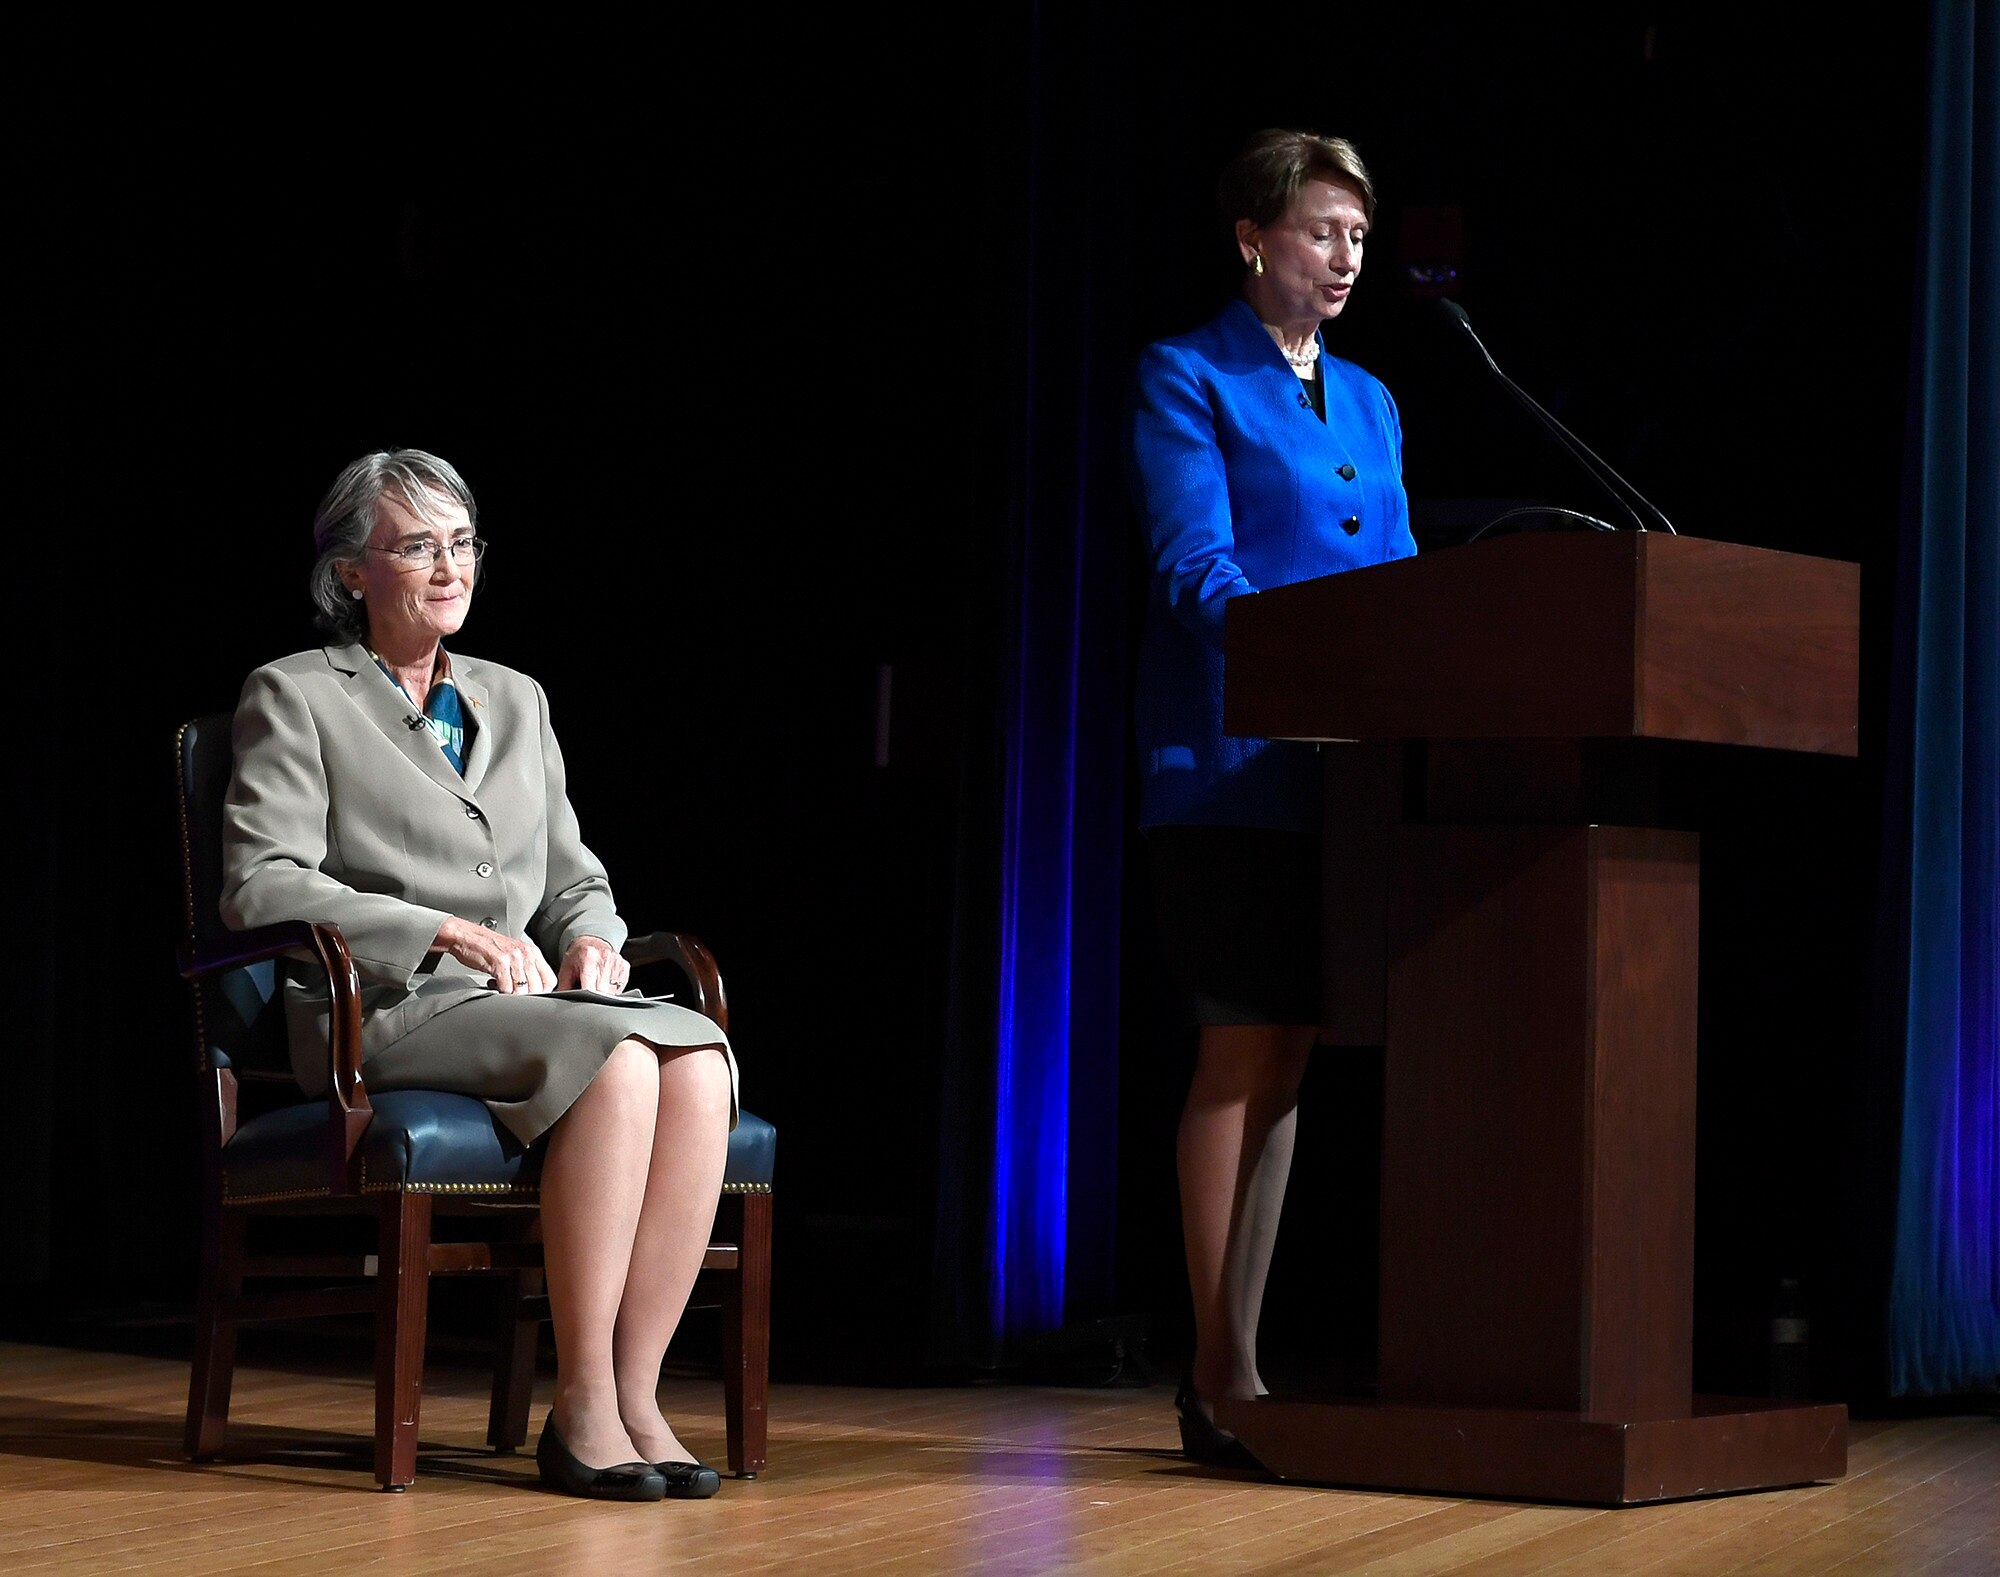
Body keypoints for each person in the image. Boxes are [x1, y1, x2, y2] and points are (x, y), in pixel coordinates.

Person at [220, 449, 738, 1503]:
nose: (448, 566)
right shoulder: (296, 692)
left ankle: (636, 1398)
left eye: (461, 543)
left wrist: (593, 933)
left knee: (695, 1054)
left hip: (519, 1007)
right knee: (623, 1056)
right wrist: (442, 929)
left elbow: (574, 877)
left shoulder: (516, 696)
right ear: (351, 572)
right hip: (384, 1010)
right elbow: (258, 884)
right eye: (416, 545)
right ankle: (582, 1400)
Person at [1128, 129, 1417, 1466]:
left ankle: (1236, 1360)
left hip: (1344, 785)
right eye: (1321, 231)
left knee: (1294, 1053)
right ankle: (1219, 1370)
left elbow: (1405, 577)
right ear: (1254, 238)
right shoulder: (1186, 375)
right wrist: (1309, 661)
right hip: (1228, 766)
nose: (1346, 257)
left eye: (1358, 235)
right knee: (1238, 1046)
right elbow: (1195, 567)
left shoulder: (1369, 400)